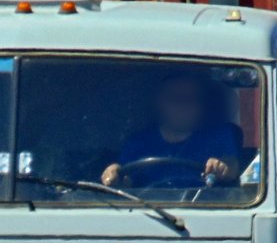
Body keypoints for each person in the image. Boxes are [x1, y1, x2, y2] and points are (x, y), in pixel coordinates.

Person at [102, 74, 241, 188]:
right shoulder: (138, 142)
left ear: (202, 104)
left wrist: (225, 167)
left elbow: (232, 166)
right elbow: (125, 180)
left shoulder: (220, 135)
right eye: (174, 98)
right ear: (158, 104)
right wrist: (114, 173)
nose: (183, 105)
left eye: (191, 98)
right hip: (146, 211)